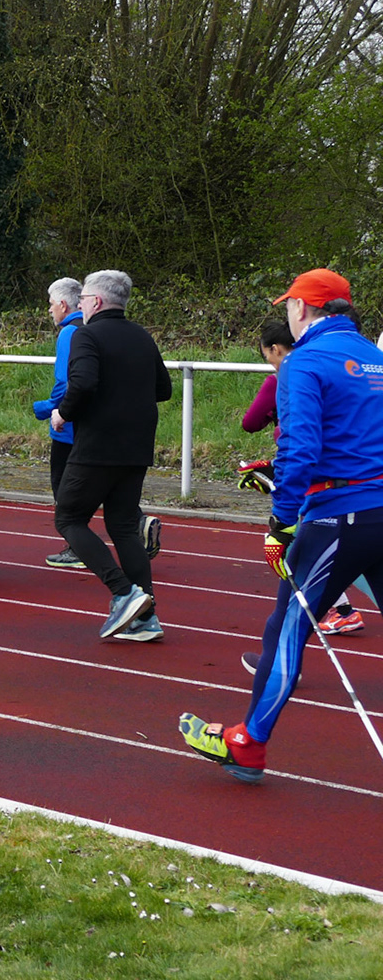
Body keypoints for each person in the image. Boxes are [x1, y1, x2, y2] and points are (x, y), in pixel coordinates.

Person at [180, 268, 383, 784]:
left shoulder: (302, 362)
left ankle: (248, 744)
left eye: (289, 305)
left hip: (337, 515)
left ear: (301, 309)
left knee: (287, 628)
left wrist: (281, 520)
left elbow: (300, 447)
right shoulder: (376, 357)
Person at [50, 268, 173, 642]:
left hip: (98, 445)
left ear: (96, 301)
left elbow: (84, 382)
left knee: (69, 518)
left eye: (83, 299)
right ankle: (146, 617)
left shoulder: (86, 335)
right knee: (122, 526)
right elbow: (164, 389)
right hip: (136, 446)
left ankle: (123, 593)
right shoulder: (142, 335)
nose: (81, 305)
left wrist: (62, 413)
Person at [239, 317, 366, 636]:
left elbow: (255, 424)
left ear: (275, 349)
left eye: (266, 355)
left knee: (296, 548)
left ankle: (336, 612)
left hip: (319, 482)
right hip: (354, 478)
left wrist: (281, 512)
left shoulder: (287, 377)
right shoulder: (344, 368)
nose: (269, 362)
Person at [34, 278, 87, 569]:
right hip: (95, 422)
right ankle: (137, 524)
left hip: (68, 425)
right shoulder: (94, 327)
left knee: (64, 487)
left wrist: (45, 409)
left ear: (63, 305)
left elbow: (65, 383)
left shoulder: (68, 332)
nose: (50, 310)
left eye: (51, 304)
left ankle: (77, 547)